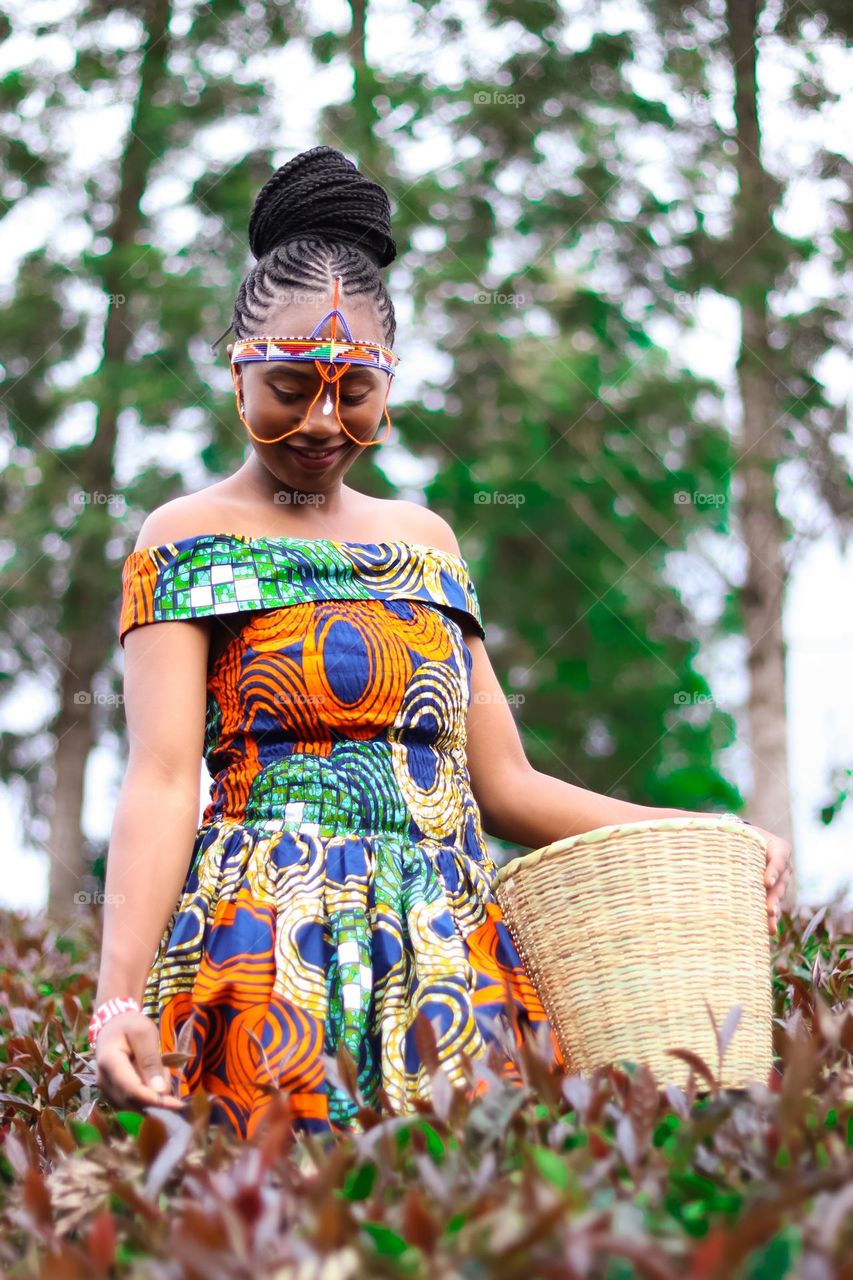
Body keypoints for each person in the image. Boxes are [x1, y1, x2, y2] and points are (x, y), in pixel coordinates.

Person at [91, 145, 793, 1139]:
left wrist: (698, 835)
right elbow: (162, 778)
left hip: (449, 957)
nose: (321, 422)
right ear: (235, 369)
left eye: (354, 392)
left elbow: (502, 783)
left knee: (470, 1199)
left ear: (388, 385)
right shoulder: (185, 537)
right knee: (268, 1200)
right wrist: (117, 998)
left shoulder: (424, 544)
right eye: (289, 386)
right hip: (262, 952)